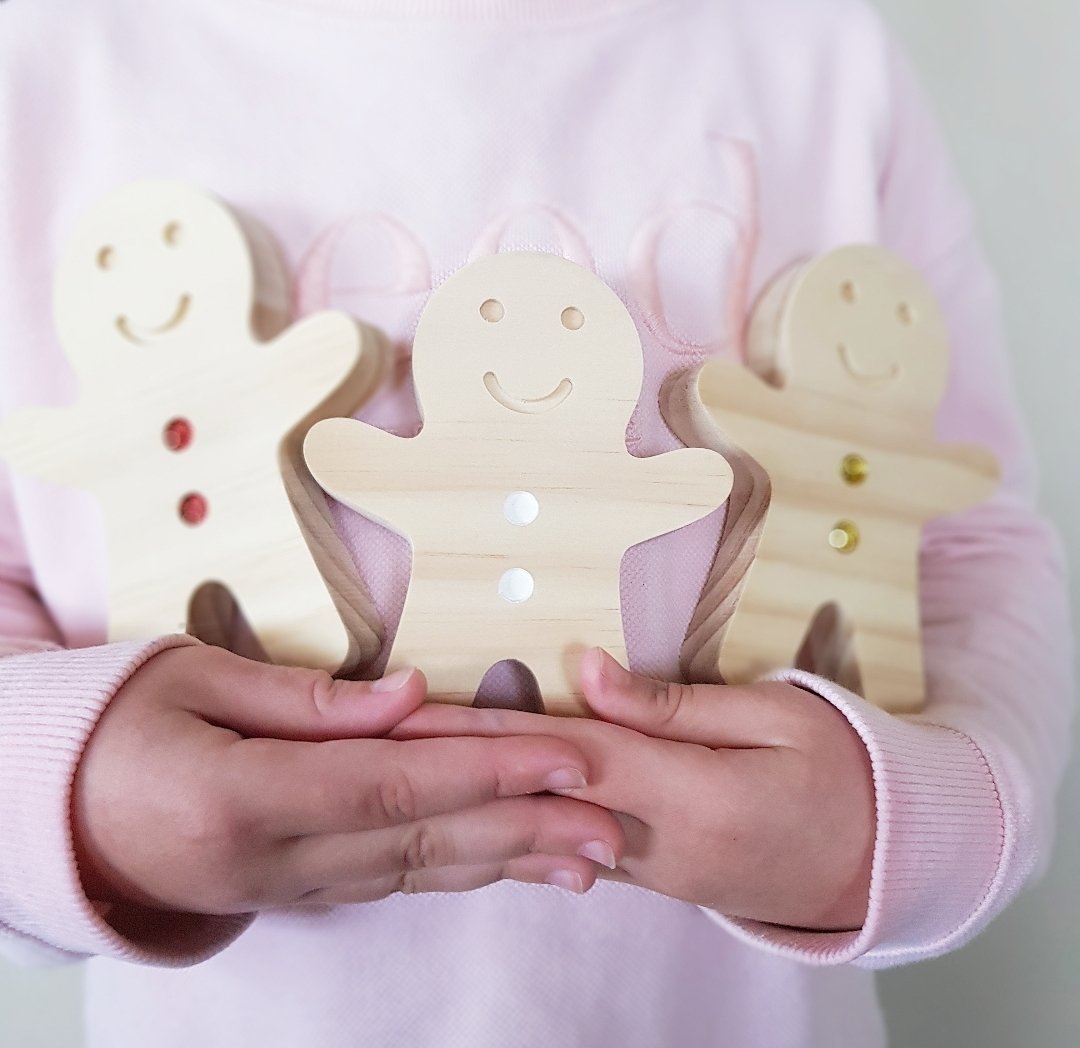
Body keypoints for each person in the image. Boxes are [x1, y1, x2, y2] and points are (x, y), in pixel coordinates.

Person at [0, 1, 1072, 1045]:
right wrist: (65, 798)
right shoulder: (51, 62)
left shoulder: (824, 57)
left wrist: (911, 823)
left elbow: (964, 546)